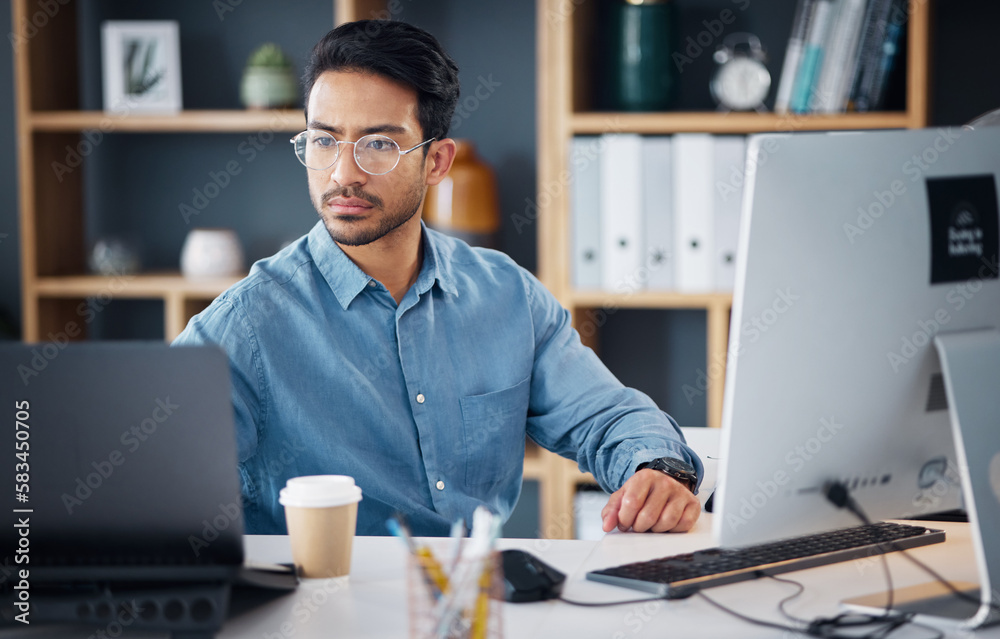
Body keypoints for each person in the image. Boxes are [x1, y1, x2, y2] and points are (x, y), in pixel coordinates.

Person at [173, 20, 703, 537]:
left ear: (436, 162)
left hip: (474, 606)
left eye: (378, 144)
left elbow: (608, 417)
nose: (343, 173)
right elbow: (149, 482)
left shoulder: (507, 295)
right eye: (324, 140)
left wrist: (658, 471)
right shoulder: (244, 327)